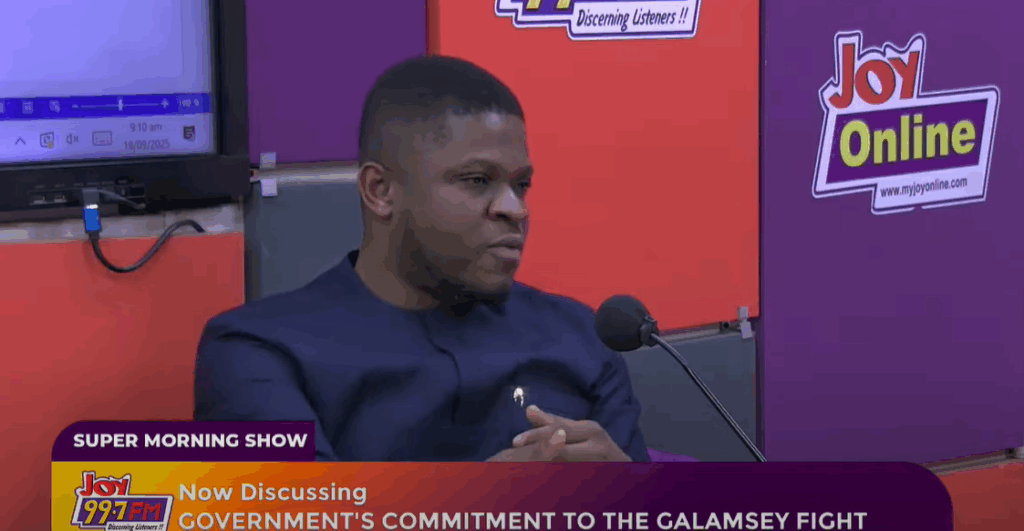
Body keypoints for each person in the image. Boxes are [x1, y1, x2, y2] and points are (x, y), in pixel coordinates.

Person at [194, 55, 649, 462]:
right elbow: (293, 512)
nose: (516, 209)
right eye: (477, 180)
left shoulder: (581, 337)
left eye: (521, 185)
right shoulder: (256, 352)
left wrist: (630, 494)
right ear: (380, 191)